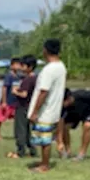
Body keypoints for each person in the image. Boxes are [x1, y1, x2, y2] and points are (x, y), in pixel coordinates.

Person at [28, 39, 68, 173]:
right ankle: (43, 162)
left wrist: (35, 111)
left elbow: (44, 91)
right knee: (44, 137)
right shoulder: (61, 66)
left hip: (46, 109)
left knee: (44, 139)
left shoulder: (49, 70)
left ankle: (44, 165)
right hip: (54, 107)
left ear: (45, 50)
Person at [61, 88, 90, 162]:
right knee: (64, 127)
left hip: (89, 110)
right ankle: (67, 151)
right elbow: (60, 123)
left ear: (69, 98)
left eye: (63, 102)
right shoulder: (63, 106)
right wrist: (59, 143)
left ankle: (82, 154)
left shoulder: (82, 95)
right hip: (75, 112)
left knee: (87, 126)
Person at [9, 56, 39, 159]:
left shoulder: (28, 79)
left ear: (30, 67)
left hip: (22, 107)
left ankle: (20, 151)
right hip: (30, 106)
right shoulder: (35, 78)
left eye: (23, 65)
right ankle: (32, 150)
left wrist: (15, 91)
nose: (21, 68)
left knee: (20, 130)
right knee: (27, 131)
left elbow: (24, 94)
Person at [0, 58, 22, 142]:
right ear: (12, 66)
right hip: (7, 101)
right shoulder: (9, 76)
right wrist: (4, 101)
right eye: (16, 64)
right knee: (1, 119)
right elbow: (4, 88)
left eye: (19, 65)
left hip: (14, 101)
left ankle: (17, 134)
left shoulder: (18, 77)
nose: (18, 66)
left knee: (17, 119)